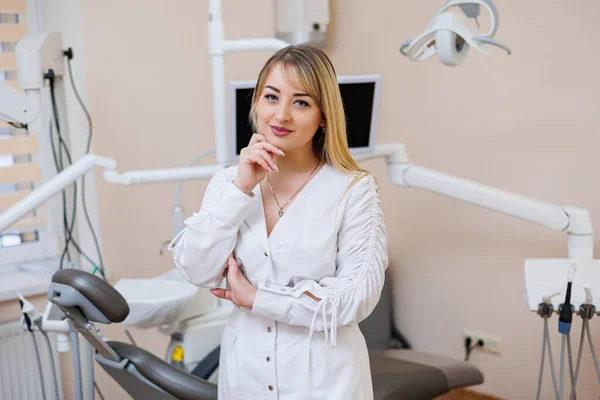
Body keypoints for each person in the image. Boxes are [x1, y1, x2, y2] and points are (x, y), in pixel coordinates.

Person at [169, 44, 388, 400]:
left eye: (301, 102)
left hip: (324, 382)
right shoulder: (227, 183)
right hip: (245, 376)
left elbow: (353, 298)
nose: (281, 115)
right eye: (272, 97)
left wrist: (258, 298)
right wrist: (241, 189)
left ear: (324, 116)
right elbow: (196, 268)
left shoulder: (354, 189)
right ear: (256, 103)